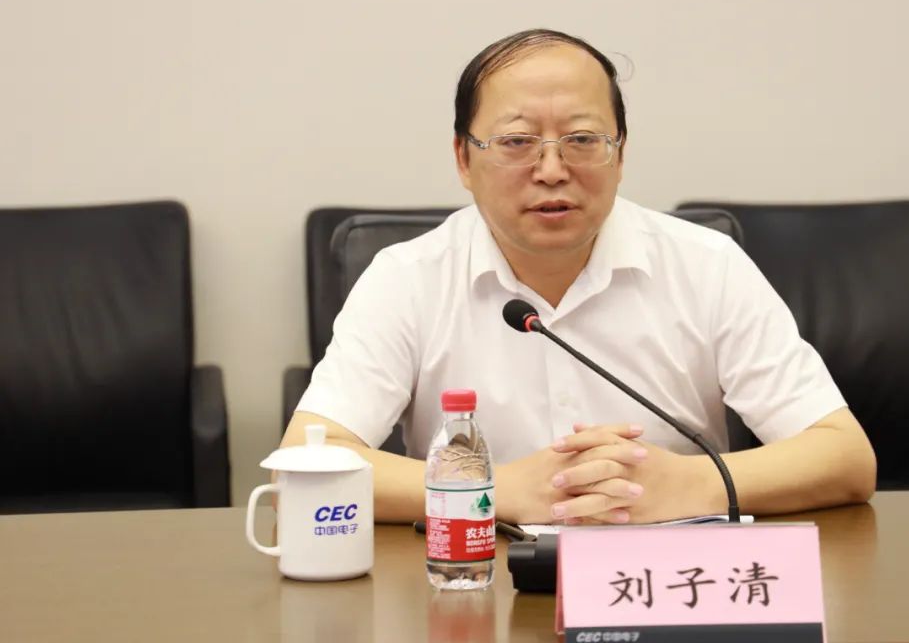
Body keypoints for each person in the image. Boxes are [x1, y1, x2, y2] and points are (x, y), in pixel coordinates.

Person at [282, 28, 876, 525]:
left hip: (670, 585)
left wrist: (689, 484)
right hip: (472, 580)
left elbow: (845, 457)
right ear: (464, 158)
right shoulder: (406, 279)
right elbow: (306, 468)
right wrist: (496, 490)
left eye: (583, 140)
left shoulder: (706, 265)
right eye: (517, 141)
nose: (551, 169)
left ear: (621, 152)